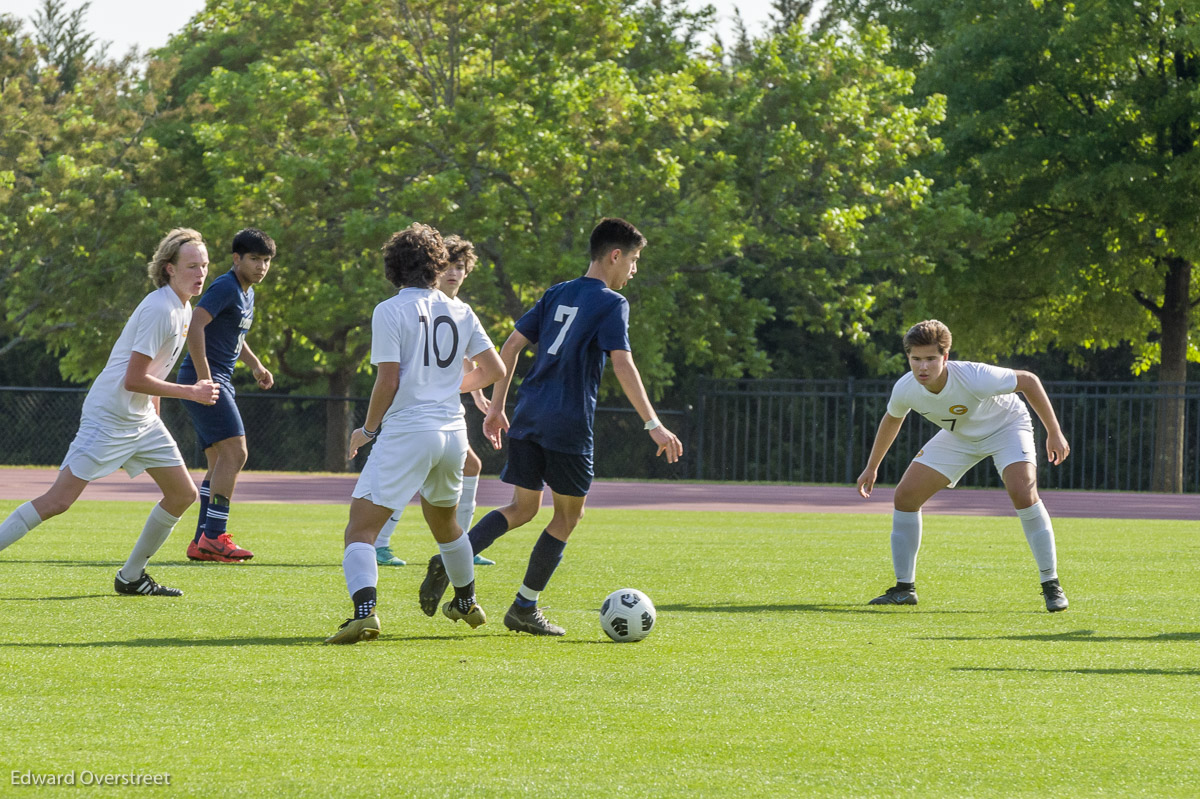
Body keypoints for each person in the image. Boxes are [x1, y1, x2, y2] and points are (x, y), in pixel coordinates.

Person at [419, 217, 683, 636]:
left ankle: (450, 559)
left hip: (528, 415)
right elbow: (622, 361)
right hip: (568, 425)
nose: (634, 270)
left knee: (522, 508)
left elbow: (511, 346)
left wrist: (497, 407)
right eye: (633, 261)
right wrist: (653, 422)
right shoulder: (612, 303)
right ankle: (524, 606)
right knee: (568, 516)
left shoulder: (557, 292)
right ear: (615, 256)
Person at [0, 229, 220, 596]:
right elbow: (135, 379)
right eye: (191, 266)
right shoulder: (160, 309)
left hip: (141, 420)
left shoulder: (183, 307)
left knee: (183, 494)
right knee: (58, 501)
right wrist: (192, 392)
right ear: (169, 269)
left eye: (204, 265)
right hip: (109, 416)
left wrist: (156, 419)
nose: (200, 273)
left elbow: (155, 374)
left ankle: (131, 577)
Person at [324, 223, 504, 645]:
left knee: (360, 531)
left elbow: (387, 381)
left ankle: (364, 613)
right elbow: (494, 370)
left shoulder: (390, 310)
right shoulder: (460, 310)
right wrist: (446, 386)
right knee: (446, 525)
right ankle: (466, 600)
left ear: (393, 267)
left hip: (409, 432)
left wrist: (366, 430)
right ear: (437, 266)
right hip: (453, 434)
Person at [856, 319, 1070, 612]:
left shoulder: (975, 376)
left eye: (931, 359)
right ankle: (904, 589)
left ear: (945, 357)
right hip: (960, 437)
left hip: (1007, 427)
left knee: (1023, 494)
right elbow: (893, 418)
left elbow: (1029, 381)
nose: (922, 367)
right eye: (915, 359)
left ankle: (1051, 584)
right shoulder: (906, 388)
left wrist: (1054, 432)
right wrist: (872, 467)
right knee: (905, 497)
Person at [373, 235, 497, 568]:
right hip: (416, 413)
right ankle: (384, 543)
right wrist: (456, 387)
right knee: (419, 475)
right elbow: (483, 366)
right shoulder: (430, 305)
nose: (454, 273)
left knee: (465, 467)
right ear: (435, 269)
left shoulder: (459, 310)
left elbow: (465, 362)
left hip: (439, 413)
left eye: (461, 267)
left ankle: (462, 546)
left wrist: (475, 394)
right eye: (449, 266)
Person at [178, 228, 276, 563]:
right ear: (237, 259)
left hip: (218, 379)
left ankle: (201, 540)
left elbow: (235, 335)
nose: (261, 266)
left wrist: (256, 365)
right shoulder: (225, 285)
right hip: (205, 378)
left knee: (220, 461)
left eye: (266, 261)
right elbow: (196, 325)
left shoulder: (246, 292)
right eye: (254, 259)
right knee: (236, 453)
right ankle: (216, 536)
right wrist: (205, 380)